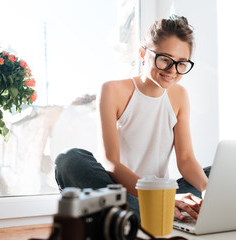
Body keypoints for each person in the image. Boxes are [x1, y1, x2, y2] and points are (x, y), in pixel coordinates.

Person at [55, 15, 210, 221]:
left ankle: (157, 214)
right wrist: (159, 196)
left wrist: (208, 190)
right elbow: (111, 162)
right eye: (165, 59)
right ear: (142, 53)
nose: (172, 70)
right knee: (70, 160)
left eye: (181, 63)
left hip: (164, 192)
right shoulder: (112, 90)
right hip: (123, 193)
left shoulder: (180, 95)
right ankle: (157, 212)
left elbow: (186, 159)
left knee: (217, 175)